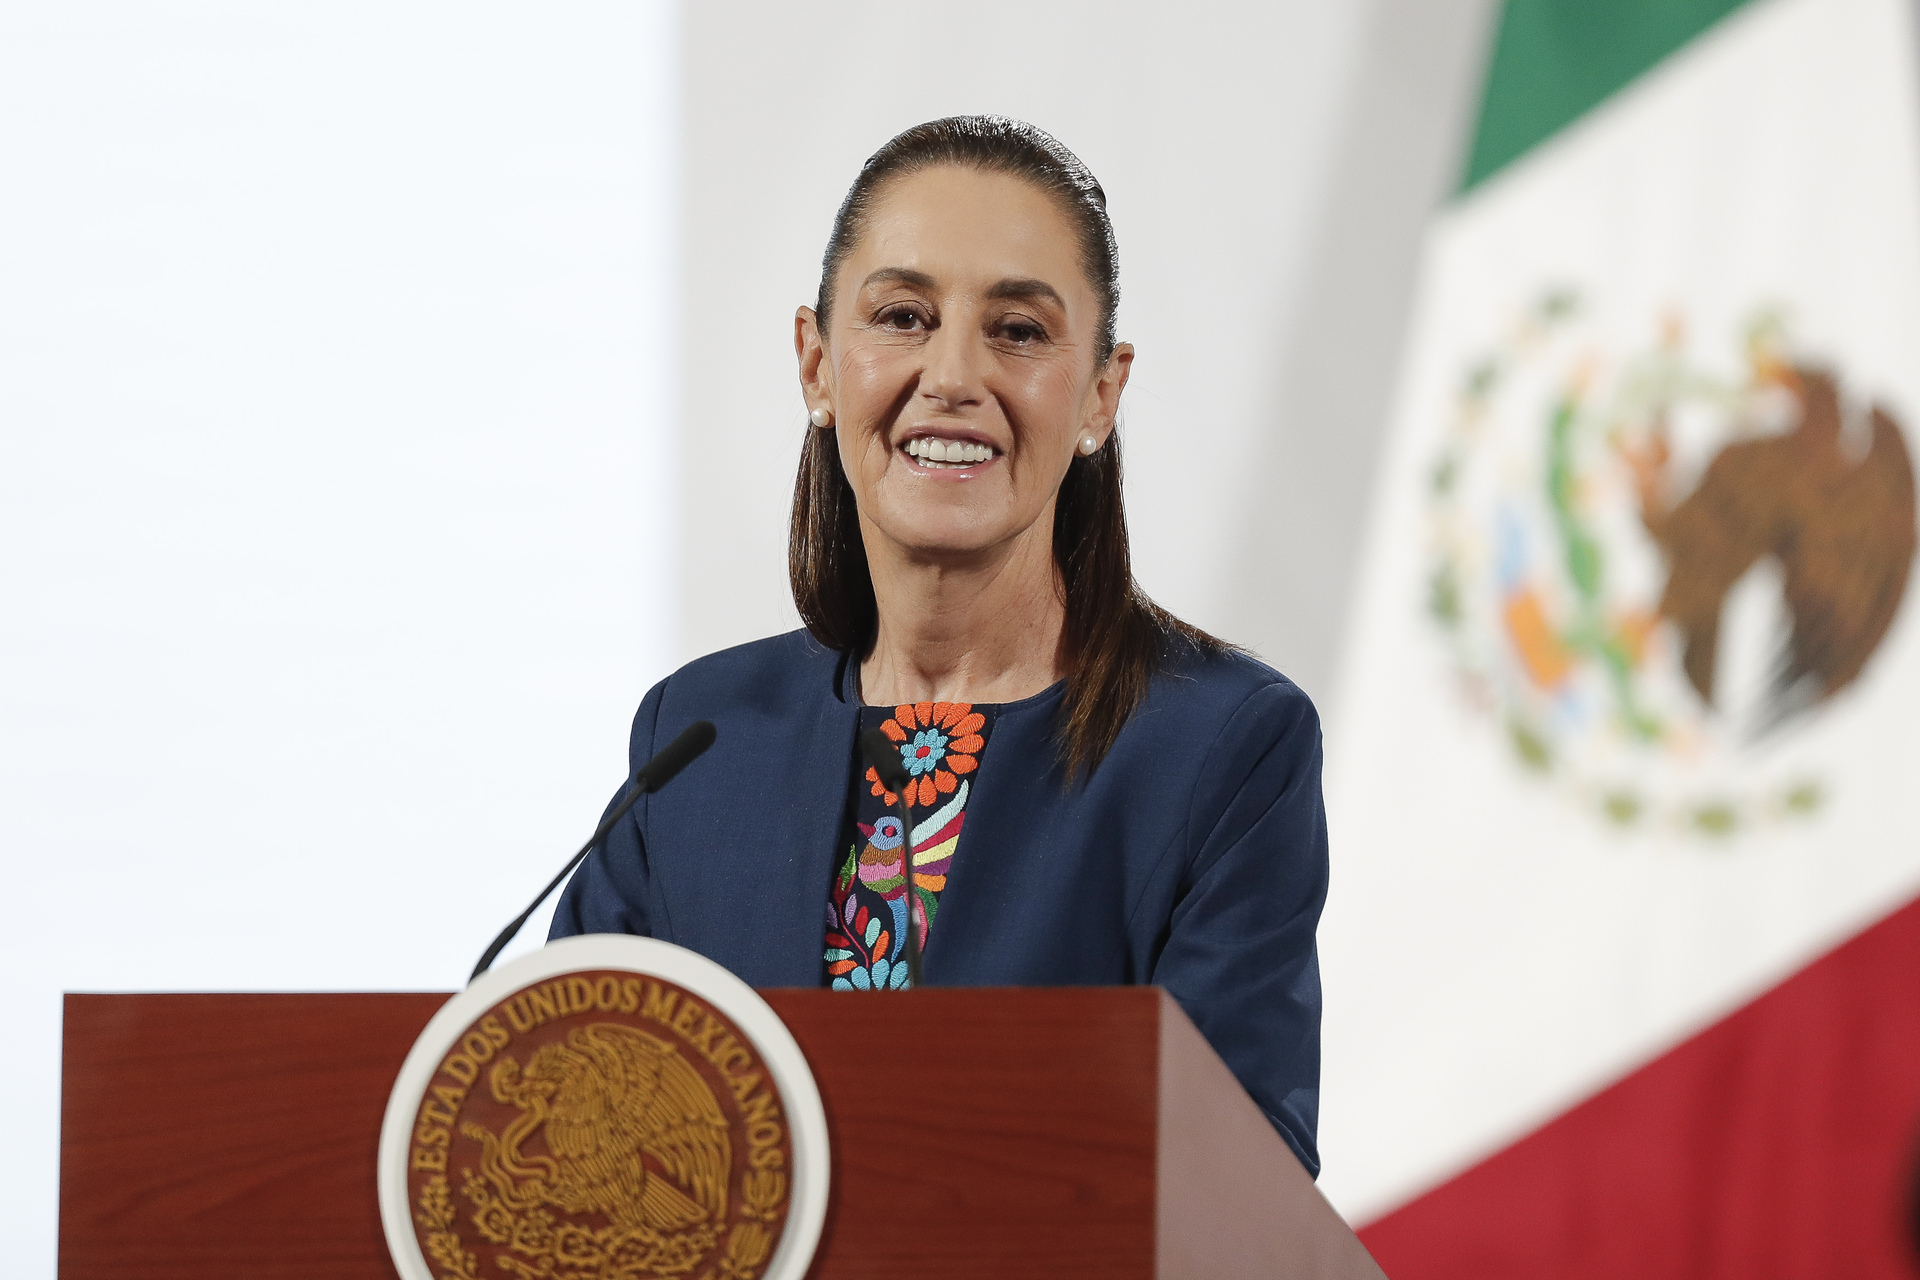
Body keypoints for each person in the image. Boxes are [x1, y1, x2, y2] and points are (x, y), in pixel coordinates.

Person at [551, 116, 1329, 1175]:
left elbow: (1239, 1183)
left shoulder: (1222, 748)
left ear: (1101, 394)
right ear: (817, 365)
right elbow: (557, 1113)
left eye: (1018, 330)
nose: (953, 374)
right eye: (904, 317)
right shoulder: (698, 739)